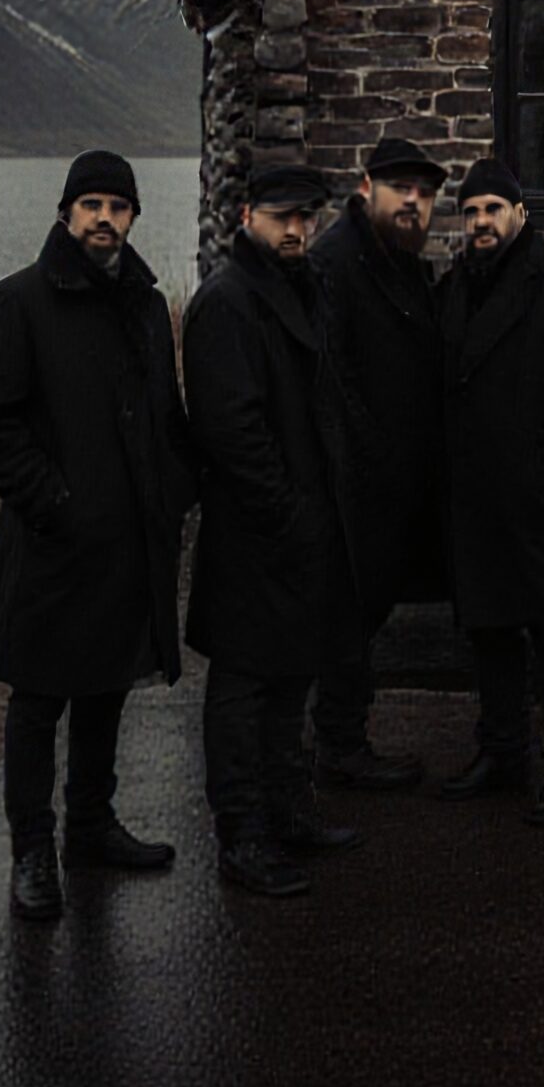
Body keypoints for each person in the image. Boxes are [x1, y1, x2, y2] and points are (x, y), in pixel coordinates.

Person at [0, 150, 191, 922]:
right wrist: (53, 503)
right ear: (65, 214)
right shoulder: (20, 302)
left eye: (117, 206)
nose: (103, 218)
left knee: (104, 691)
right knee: (38, 701)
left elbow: (164, 417)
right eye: (89, 203)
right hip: (53, 545)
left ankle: (91, 827)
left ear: (131, 218)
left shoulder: (146, 307)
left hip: (127, 544)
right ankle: (32, 852)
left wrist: (173, 493)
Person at [183, 161, 363, 897]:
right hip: (254, 530)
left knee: (293, 678)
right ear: (246, 217)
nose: (297, 229)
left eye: (307, 217)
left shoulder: (301, 287)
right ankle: (242, 837)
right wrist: (288, 512)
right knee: (243, 687)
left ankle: (289, 812)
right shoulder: (227, 302)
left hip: (304, 521)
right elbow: (232, 429)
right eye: (282, 216)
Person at [436, 161, 544, 825]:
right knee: (491, 631)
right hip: (476, 496)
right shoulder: (455, 288)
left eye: (493, 209)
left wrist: (540, 475)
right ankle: (503, 751)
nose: (481, 222)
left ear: (519, 214)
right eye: (471, 211)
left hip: (539, 497)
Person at [308, 135, 450, 791]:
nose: (413, 203)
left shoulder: (401, 262)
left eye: (423, 194)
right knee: (342, 616)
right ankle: (339, 743)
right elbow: (331, 378)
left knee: (358, 616)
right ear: (367, 189)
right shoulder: (338, 262)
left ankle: (338, 737)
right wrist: (366, 466)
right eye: (401, 190)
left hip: (395, 485)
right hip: (355, 485)